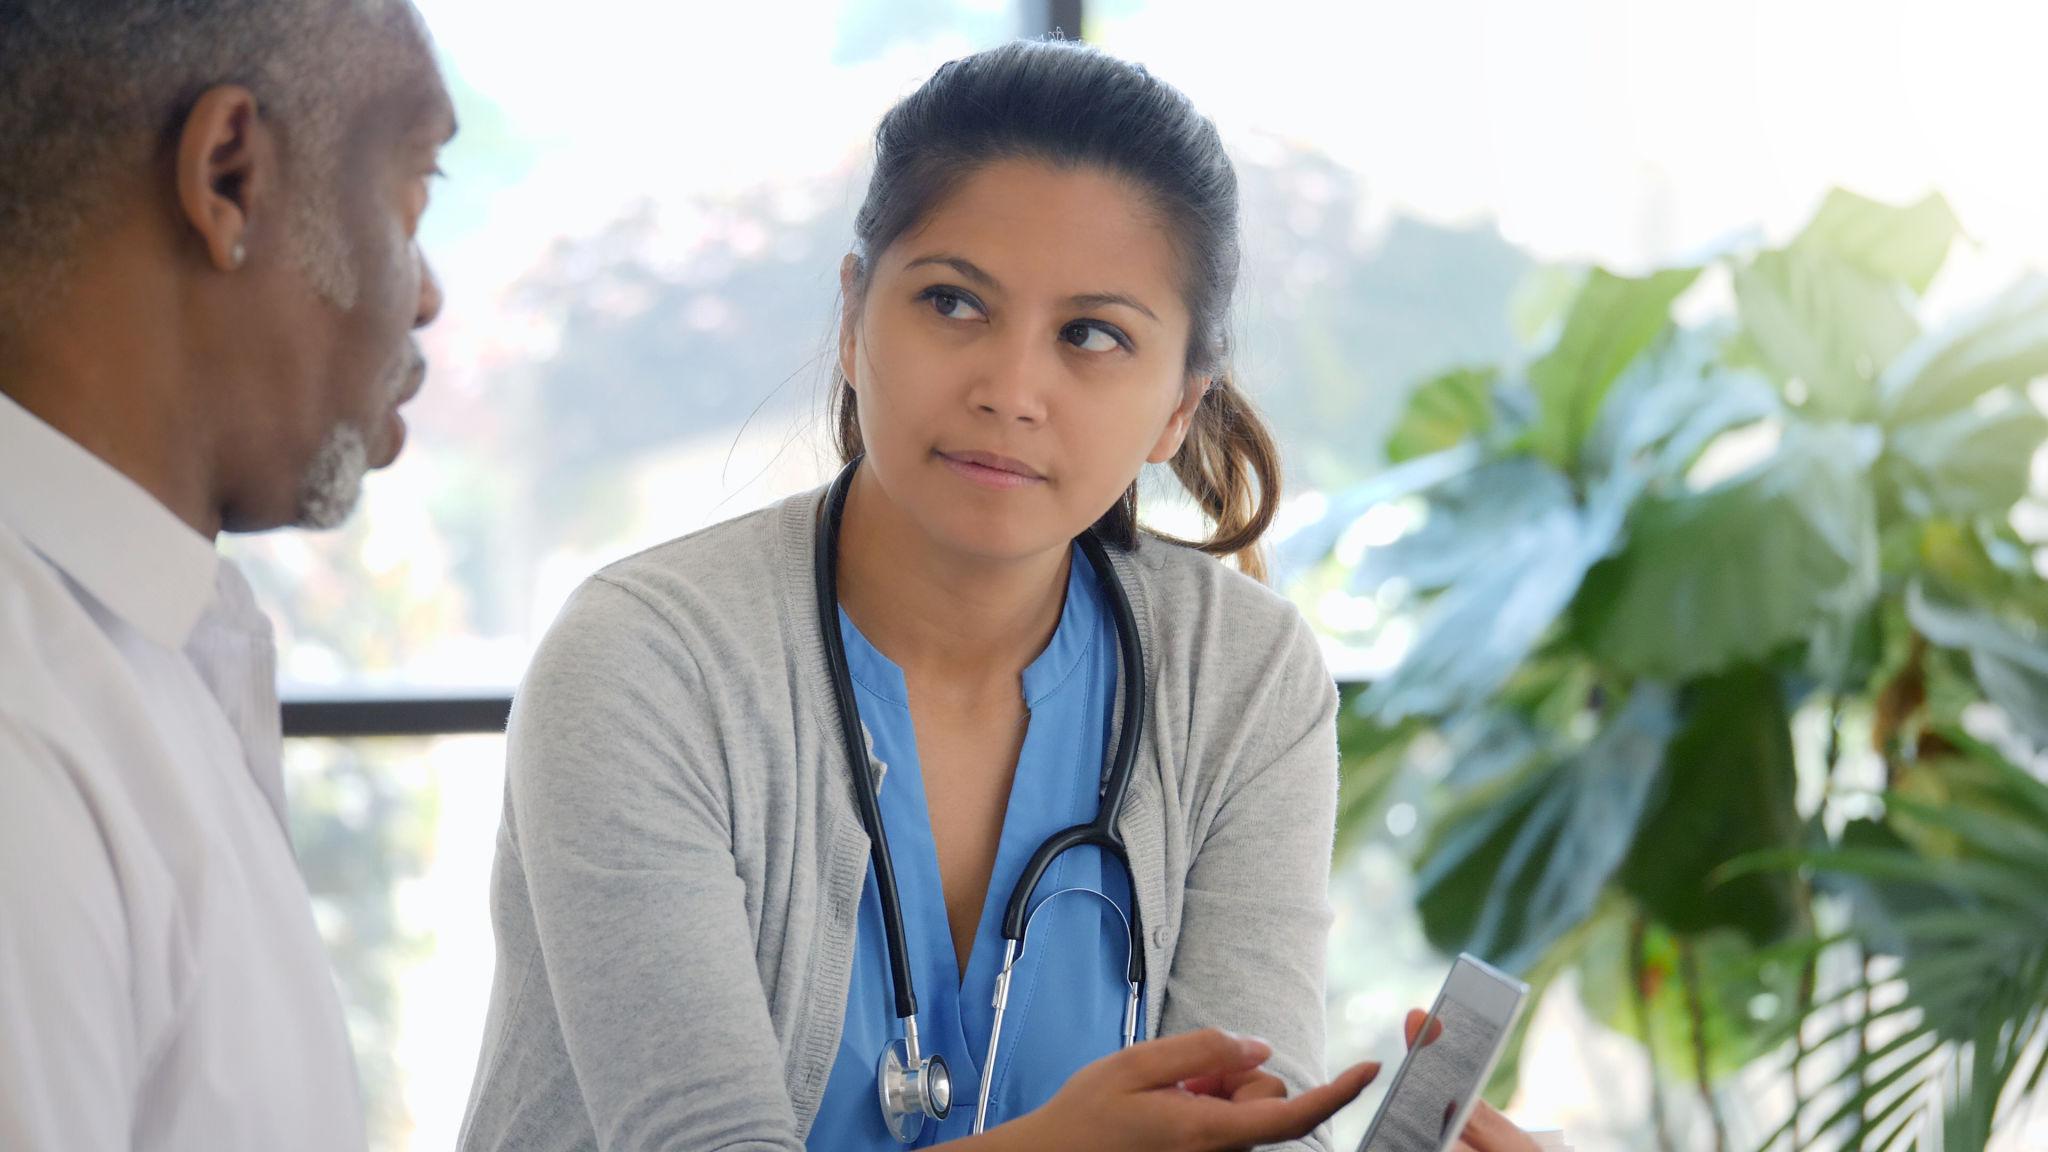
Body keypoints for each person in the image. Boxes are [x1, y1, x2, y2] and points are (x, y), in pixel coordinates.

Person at [460, 38, 1535, 1152]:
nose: (1009, 391)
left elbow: (1236, 1129)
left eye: (1091, 335)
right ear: (851, 316)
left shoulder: (1240, 678)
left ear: (1178, 408)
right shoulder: (646, 666)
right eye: (952, 304)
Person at [0, 1, 454, 1147]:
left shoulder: (139, 645)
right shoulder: (24, 725)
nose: (430, 290)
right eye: (413, 191)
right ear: (231, 175)